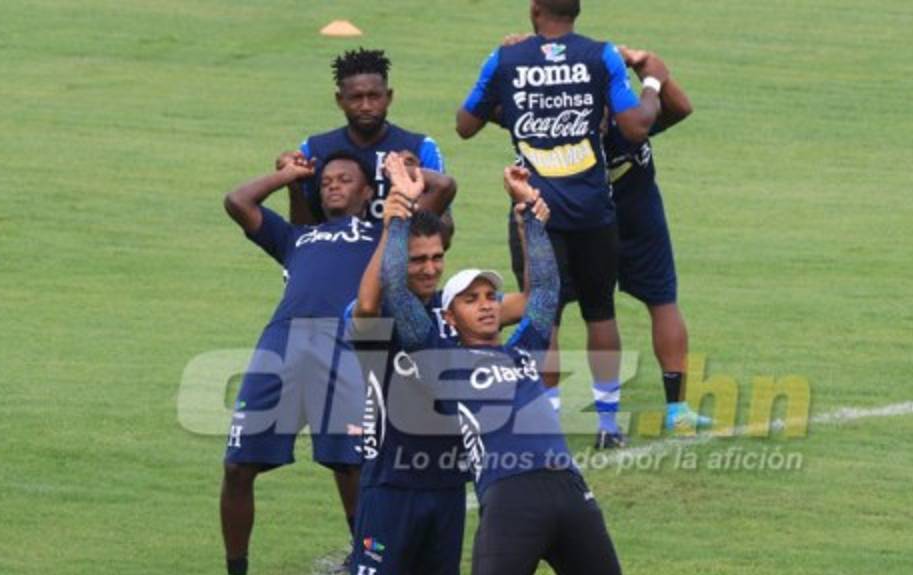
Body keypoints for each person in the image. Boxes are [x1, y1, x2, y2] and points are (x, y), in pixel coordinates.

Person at [380, 166, 679, 575]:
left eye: (491, 295)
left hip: (570, 494)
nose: (488, 304)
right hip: (511, 502)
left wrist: (531, 217)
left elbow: (544, 291)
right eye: (472, 297)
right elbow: (397, 296)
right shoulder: (432, 354)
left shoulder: (519, 353)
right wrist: (402, 217)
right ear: (449, 312)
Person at [323, 155, 525, 575]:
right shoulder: (382, 314)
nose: (431, 269)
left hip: (445, 489)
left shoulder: (456, 311)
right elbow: (364, 304)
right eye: (419, 261)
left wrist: (527, 214)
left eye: (437, 259)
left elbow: (531, 302)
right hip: (390, 486)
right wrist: (395, 215)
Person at [455, 0, 668, 448]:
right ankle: (608, 426)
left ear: (534, 10)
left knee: (542, 315)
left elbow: (465, 123)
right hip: (593, 210)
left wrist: (512, 100)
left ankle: (548, 425)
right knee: (600, 312)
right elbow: (635, 126)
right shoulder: (601, 55)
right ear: (577, 11)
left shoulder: (506, 58)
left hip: (535, 210)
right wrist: (652, 80)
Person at [190, 152, 378, 575]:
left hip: (343, 345)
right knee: (237, 465)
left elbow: (441, 192)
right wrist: (289, 177)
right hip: (281, 345)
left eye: (346, 179)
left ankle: (373, 574)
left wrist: (402, 179)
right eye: (327, 180)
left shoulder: (382, 234)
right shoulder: (297, 237)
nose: (334, 185)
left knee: (351, 465)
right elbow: (237, 201)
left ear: (367, 192)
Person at [604, 46, 709, 434]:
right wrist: (650, 70)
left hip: (594, 220)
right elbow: (678, 108)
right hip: (634, 218)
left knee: (579, 310)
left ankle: (579, 411)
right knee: (660, 301)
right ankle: (676, 409)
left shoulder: (565, 126)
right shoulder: (630, 121)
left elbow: (681, 109)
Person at [293, 48, 455, 245]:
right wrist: (291, 181)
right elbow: (301, 234)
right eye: (356, 97)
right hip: (333, 262)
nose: (366, 106)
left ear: (389, 97)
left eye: (374, 96)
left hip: (394, 266)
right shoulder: (314, 149)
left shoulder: (420, 147)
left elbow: (444, 235)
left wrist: (412, 179)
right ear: (339, 100)